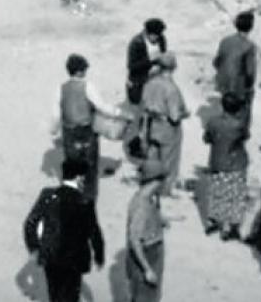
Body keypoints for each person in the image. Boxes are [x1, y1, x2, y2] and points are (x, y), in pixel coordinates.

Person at [23, 157, 105, 302]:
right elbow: (94, 232)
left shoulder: (48, 195)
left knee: (54, 295)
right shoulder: (84, 201)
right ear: (79, 178)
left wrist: (34, 248)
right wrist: (99, 255)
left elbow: (30, 223)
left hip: (51, 257)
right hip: (74, 261)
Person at [59, 53, 120, 202]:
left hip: (68, 131)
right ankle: (88, 197)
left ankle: (71, 194)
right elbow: (101, 106)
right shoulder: (87, 86)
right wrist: (118, 112)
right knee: (90, 166)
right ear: (80, 71)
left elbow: (56, 113)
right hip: (85, 131)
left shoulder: (61, 88)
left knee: (72, 163)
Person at [200, 91, 252, 238]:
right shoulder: (239, 125)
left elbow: (206, 138)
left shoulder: (213, 122)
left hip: (217, 161)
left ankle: (217, 222)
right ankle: (233, 227)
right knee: (236, 195)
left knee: (217, 192)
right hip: (236, 162)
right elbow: (246, 137)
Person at [138, 52, 188, 190]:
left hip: (151, 125)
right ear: (174, 68)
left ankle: (149, 184)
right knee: (169, 159)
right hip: (168, 128)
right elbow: (175, 116)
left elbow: (144, 104)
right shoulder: (171, 89)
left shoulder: (149, 83)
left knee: (152, 156)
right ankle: (165, 189)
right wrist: (185, 114)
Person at [125, 169, 168, 302]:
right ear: (154, 182)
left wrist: (160, 220)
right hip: (147, 254)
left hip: (153, 249)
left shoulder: (148, 198)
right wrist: (147, 269)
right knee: (144, 297)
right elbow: (134, 240)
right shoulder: (141, 207)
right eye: (161, 181)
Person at [213, 11, 257, 117]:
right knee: (242, 112)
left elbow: (216, 62)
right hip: (238, 86)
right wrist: (249, 87)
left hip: (223, 83)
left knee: (227, 108)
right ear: (251, 27)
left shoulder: (225, 41)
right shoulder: (249, 46)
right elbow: (250, 72)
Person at [128, 18, 168, 106]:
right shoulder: (136, 43)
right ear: (147, 33)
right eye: (155, 36)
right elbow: (131, 66)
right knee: (139, 103)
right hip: (139, 80)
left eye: (158, 35)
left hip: (157, 77)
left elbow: (164, 55)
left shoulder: (161, 39)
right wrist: (150, 61)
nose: (157, 38)